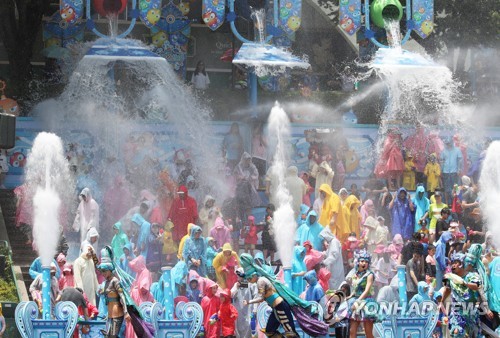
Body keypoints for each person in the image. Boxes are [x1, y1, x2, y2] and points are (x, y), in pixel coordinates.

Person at [346, 250, 376, 338]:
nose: (364, 263)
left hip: (366, 302)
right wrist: (350, 296)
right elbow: (355, 288)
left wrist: (357, 302)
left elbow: (366, 291)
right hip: (356, 301)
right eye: (362, 261)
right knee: (352, 331)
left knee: (368, 333)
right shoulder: (355, 274)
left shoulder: (370, 275)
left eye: (366, 261)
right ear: (358, 262)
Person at [232, 268, 259, 338]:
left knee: (249, 327)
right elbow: (231, 295)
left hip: (249, 311)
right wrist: (236, 288)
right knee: (238, 328)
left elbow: (256, 296)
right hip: (239, 311)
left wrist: (255, 309)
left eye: (239, 275)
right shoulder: (236, 285)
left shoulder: (250, 284)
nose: (238, 277)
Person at [234, 152, 260, 220]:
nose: (247, 161)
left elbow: (256, 176)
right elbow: (236, 176)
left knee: (248, 207)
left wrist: (250, 178)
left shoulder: (252, 167)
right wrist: (241, 177)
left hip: (249, 189)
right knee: (239, 207)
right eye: (246, 159)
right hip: (239, 189)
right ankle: (240, 221)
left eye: (248, 160)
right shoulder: (238, 167)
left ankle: (250, 221)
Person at [320, 225, 345, 290]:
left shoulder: (334, 242)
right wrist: (318, 254)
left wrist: (324, 262)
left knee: (334, 284)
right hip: (332, 266)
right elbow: (327, 253)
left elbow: (334, 255)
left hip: (335, 267)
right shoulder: (331, 242)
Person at [440, 138, 463, 206]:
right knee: (447, 188)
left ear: (452, 143)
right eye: (447, 143)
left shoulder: (457, 150)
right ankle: (447, 204)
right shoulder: (444, 151)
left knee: (455, 187)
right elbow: (442, 161)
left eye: (449, 143)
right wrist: (441, 170)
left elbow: (460, 160)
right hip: (445, 172)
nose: (448, 145)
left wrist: (459, 169)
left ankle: (455, 203)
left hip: (454, 172)